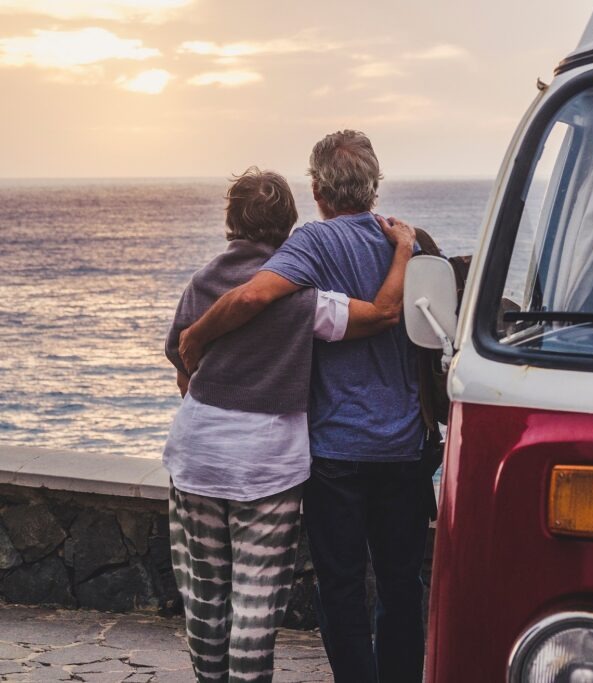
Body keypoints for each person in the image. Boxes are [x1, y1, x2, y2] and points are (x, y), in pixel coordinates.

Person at [178, 130, 430, 683]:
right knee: (401, 584)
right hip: (405, 445)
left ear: (317, 189)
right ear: (374, 185)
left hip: (335, 448)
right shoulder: (412, 243)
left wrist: (193, 339)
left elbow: (252, 296)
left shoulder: (311, 245)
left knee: (340, 588)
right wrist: (406, 249)